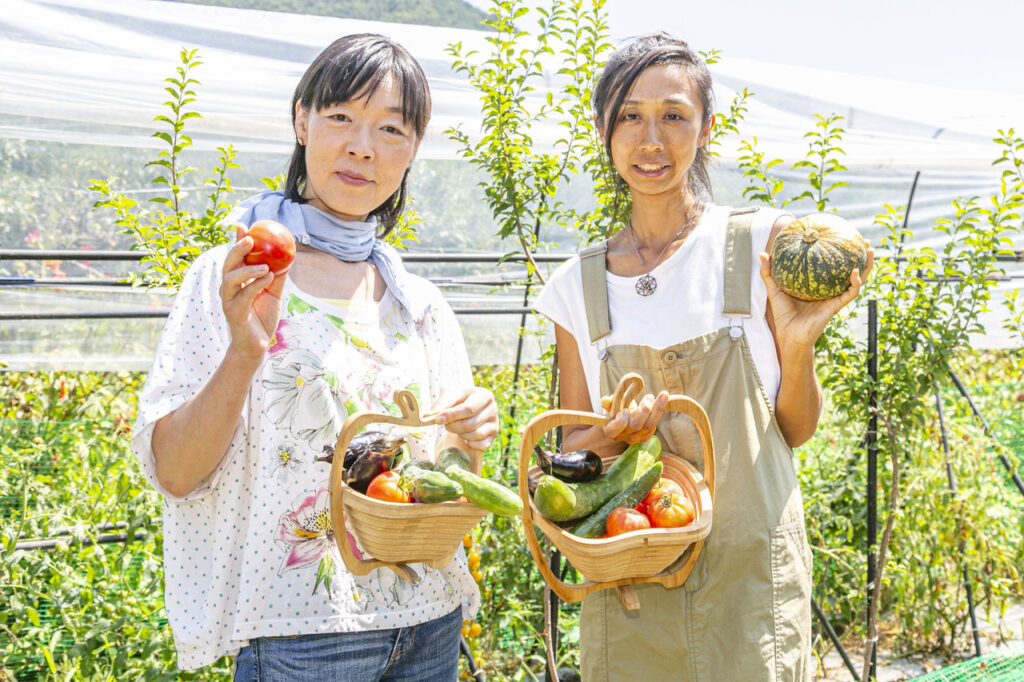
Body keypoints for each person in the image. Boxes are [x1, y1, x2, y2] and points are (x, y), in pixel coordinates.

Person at [131, 34, 498, 681]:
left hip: (430, 618)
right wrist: (244, 356)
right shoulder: (235, 277)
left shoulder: (418, 303)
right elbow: (175, 472)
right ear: (302, 119)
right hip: (302, 635)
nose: (363, 146)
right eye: (341, 118)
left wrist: (469, 435)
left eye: (391, 128)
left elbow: (444, 474)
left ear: (413, 150)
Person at [532, 33, 873, 680]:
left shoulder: (760, 246)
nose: (650, 139)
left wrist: (797, 348)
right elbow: (575, 446)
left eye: (674, 116)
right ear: (602, 129)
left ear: (706, 128)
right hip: (630, 582)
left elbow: (793, 430)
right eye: (629, 115)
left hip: (750, 583)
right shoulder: (576, 285)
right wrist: (611, 433)